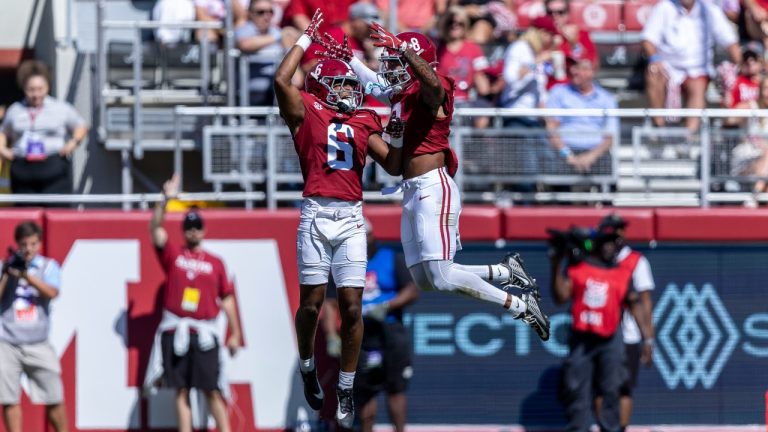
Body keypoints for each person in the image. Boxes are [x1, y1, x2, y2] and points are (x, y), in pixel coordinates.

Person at [314, 22, 550, 341]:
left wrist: (407, 54)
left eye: (398, 62)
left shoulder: (435, 88)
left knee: (440, 275)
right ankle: (506, 272)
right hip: (411, 189)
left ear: (416, 61)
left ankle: (518, 304)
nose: (391, 68)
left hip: (433, 187)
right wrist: (352, 60)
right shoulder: (402, 94)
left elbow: (433, 86)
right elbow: (374, 84)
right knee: (425, 279)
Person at [273, 10, 404, 428]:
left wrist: (403, 128)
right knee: (311, 307)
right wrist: (306, 40)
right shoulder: (307, 110)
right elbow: (281, 80)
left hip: (350, 216)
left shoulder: (366, 119)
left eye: (351, 83)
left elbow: (396, 165)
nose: (348, 90)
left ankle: (346, 383)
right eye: (341, 83)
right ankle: (308, 363)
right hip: (314, 212)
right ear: (322, 88)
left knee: (351, 305)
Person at [145, 175, 241, 432]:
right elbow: (155, 230)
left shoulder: (215, 262)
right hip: (177, 331)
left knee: (212, 390)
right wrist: (164, 200)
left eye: (197, 226)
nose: (193, 230)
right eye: (189, 226)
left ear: (204, 229)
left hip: (205, 333)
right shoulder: (174, 255)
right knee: (181, 390)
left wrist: (235, 333)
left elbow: (228, 298)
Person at [550, 226, 651, 432]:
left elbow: (635, 304)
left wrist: (647, 337)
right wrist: (555, 264)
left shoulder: (621, 273)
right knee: (576, 390)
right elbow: (560, 297)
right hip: (582, 339)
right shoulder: (579, 268)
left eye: (612, 242)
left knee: (612, 390)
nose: (608, 246)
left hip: (610, 339)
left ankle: (611, 429)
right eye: (604, 242)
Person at [323, 219, 418, 432]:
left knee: (395, 389)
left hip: (390, 332)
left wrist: (387, 306)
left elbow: (412, 290)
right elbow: (330, 304)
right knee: (363, 392)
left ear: (372, 237)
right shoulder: (341, 266)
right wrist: (331, 336)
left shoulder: (391, 259)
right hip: (359, 337)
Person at [0, 221, 67, 432]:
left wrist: (27, 276)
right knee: (9, 398)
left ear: (39, 243)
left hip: (38, 343)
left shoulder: (48, 266)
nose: (28, 249)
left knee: (54, 396)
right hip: (7, 343)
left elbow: (52, 293)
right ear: (17, 244)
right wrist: (8, 274)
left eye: (33, 244)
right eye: (24, 244)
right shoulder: (6, 266)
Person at [593, 214, 655, 431]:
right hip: (600, 331)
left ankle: (621, 428)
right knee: (600, 387)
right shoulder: (596, 258)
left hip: (627, 334)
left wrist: (648, 338)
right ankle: (604, 427)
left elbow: (645, 302)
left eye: (618, 230)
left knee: (624, 387)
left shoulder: (636, 261)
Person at [642, 0, 741, 133]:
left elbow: (730, 42)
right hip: (668, 68)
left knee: (697, 85)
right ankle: (659, 130)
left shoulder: (710, 10)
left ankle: (689, 139)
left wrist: (741, 72)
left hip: (697, 70)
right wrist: (655, 59)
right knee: (653, 71)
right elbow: (648, 40)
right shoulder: (664, 8)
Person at [0, 60, 88, 199]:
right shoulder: (15, 110)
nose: (36, 94)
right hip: (22, 169)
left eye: (40, 89)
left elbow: (80, 126)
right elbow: (3, 132)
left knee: (56, 213)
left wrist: (72, 143)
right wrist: (3, 150)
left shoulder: (60, 108)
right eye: (31, 90)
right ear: (24, 88)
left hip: (53, 167)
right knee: (26, 215)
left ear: (47, 87)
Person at [545, 57, 617, 175]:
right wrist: (569, 156)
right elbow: (552, 130)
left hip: (596, 153)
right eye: (573, 67)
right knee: (554, 163)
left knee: (606, 166)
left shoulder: (607, 99)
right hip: (564, 152)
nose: (573, 71)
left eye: (579, 67)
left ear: (592, 71)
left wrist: (591, 157)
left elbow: (610, 137)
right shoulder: (558, 93)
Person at [235, 0, 298, 106]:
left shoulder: (277, 31)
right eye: (261, 12)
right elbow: (245, 44)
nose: (267, 16)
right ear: (250, 13)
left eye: (270, 12)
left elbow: (296, 77)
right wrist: (280, 36)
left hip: (276, 94)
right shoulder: (244, 30)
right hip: (249, 95)